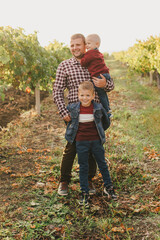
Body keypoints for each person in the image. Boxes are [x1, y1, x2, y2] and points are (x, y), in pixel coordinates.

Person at [53, 33, 114, 196]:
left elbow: (110, 83)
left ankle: (88, 180)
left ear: (85, 46)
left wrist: (105, 84)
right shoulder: (64, 65)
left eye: (78, 45)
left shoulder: (93, 62)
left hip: (95, 112)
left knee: (94, 147)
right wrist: (63, 111)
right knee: (71, 146)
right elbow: (57, 90)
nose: (75, 48)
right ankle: (64, 181)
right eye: (72, 45)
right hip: (74, 113)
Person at [65, 81, 117, 207]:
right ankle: (84, 191)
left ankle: (108, 187)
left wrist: (99, 133)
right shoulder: (73, 108)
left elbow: (105, 122)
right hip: (81, 142)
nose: (85, 98)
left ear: (93, 96)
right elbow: (69, 123)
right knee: (83, 166)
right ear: (78, 95)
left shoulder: (98, 107)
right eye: (82, 95)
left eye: (88, 95)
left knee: (102, 164)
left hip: (96, 142)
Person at [80, 34, 111, 115]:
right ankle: (108, 109)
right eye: (86, 44)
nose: (86, 46)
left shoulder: (90, 53)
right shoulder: (98, 52)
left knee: (100, 94)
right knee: (103, 94)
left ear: (97, 44)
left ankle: (106, 111)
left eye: (88, 43)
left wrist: (83, 57)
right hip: (105, 74)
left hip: (98, 76)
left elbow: (83, 63)